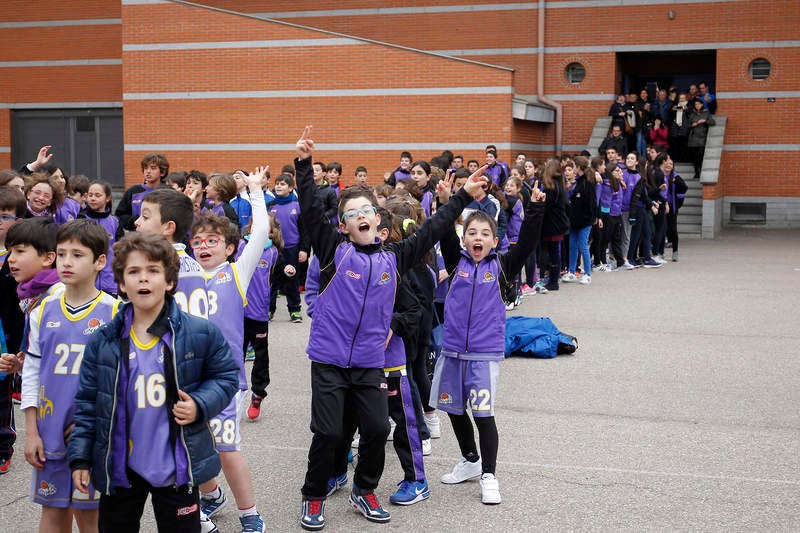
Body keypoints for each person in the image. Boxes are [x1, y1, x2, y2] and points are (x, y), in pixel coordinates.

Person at [294, 125, 489, 530]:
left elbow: (434, 228)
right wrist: (303, 164)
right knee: (329, 432)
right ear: (344, 226)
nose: (361, 217)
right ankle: (313, 496)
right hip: (329, 360)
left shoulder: (394, 257)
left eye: (367, 211)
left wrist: (461, 199)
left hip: (369, 361)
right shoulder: (333, 252)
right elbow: (312, 213)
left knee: (378, 427)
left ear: (377, 219)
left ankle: (365, 490)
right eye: (353, 214)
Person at [67, 232, 239, 532]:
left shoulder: (199, 332)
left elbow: (225, 377)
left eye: (153, 271)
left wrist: (200, 404)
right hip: (120, 466)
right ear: (121, 283)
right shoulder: (104, 340)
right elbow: (87, 403)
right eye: (133, 272)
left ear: (170, 281)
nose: (143, 279)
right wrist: (81, 458)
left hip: (176, 465)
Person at [431, 180, 545, 505]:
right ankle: (470, 460)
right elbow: (442, 231)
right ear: (463, 238)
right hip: (452, 352)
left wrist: (534, 208)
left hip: (483, 356)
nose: (477, 237)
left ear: (494, 241)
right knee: (453, 409)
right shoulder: (456, 264)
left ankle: (489, 475)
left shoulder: (503, 267)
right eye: (471, 233)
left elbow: (526, 244)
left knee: (483, 415)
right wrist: (445, 201)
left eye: (484, 233)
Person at [21, 219, 119, 533]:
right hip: (48, 431)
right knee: (51, 511)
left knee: (88, 515)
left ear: (99, 262)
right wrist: (31, 430)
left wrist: (100, 423)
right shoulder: (42, 310)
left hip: (89, 434)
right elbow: (33, 372)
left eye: (77, 255)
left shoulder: (114, 313)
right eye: (61, 254)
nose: (66, 262)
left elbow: (121, 381)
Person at [191, 166, 270, 533]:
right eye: (199, 241)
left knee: (225, 447)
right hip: (187, 381)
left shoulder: (236, 273)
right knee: (190, 447)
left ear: (229, 247)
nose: (204, 246)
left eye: (212, 241)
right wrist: (188, 205)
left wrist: (255, 192)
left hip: (225, 383)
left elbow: (261, 233)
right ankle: (207, 498)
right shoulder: (183, 274)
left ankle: (249, 512)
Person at [237, 214, 295, 421]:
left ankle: (258, 393)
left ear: (271, 232)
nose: (259, 231)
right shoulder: (238, 248)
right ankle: (232, 393)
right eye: (255, 226)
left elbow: (279, 281)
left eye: (264, 228)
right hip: (237, 313)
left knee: (261, 358)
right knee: (235, 355)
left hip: (259, 314)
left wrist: (288, 272)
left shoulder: (273, 254)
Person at [136, 188, 209, 319]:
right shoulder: (195, 265)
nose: (137, 222)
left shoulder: (156, 266)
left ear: (169, 227)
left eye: (145, 217)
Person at [0, 186, 27, 475]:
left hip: (6, 336)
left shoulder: (15, 259)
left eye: (2, 218)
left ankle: (3, 446)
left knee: (2, 395)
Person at [267, 173, 306, 323]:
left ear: (290, 188)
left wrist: (303, 249)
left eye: (283, 184)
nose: (278, 186)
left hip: (292, 249)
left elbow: (304, 230)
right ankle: (269, 310)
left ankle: (295, 310)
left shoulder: (297, 205)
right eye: (277, 183)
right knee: (272, 281)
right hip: (274, 249)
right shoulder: (270, 205)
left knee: (291, 279)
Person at [79, 180, 123, 296]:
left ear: (107, 198)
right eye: (90, 195)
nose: (93, 198)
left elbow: (121, 251)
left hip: (110, 282)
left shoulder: (115, 222)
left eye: (98, 195)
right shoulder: (81, 218)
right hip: (86, 281)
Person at [562, 158, 597, 285]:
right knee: (572, 247)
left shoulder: (588, 183)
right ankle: (571, 272)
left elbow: (592, 203)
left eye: (574, 166)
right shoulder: (577, 182)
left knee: (583, 246)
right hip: (574, 221)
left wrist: (593, 218)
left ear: (578, 167)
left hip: (585, 221)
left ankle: (587, 274)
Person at [116, 153, 169, 231]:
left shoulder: (168, 192)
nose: (148, 171)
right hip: (137, 237)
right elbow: (120, 215)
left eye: (153, 168)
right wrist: (134, 221)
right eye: (145, 168)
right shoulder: (133, 191)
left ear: (162, 172)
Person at [687, 98, 715, 180]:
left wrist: (704, 121)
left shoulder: (706, 113)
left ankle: (701, 170)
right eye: (696, 104)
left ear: (702, 104)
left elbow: (713, 122)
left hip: (702, 137)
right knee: (694, 157)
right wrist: (693, 125)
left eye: (698, 104)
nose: (697, 106)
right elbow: (688, 125)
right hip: (693, 138)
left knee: (701, 155)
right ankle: (697, 172)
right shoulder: (692, 114)